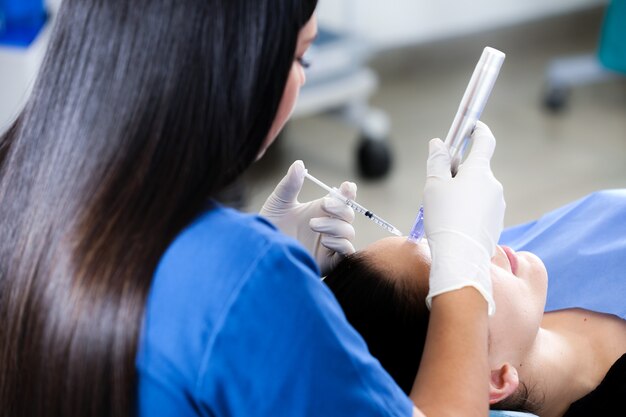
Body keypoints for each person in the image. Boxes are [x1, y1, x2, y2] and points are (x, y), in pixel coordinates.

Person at [0, 1, 505, 416]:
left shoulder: (15, 180)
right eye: (300, 59)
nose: (301, 79)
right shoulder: (246, 280)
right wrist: (462, 271)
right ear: (232, 65)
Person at [324, 191, 626, 417]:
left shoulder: (526, 272)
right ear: (492, 378)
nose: (478, 246)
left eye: (439, 242)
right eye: (461, 272)